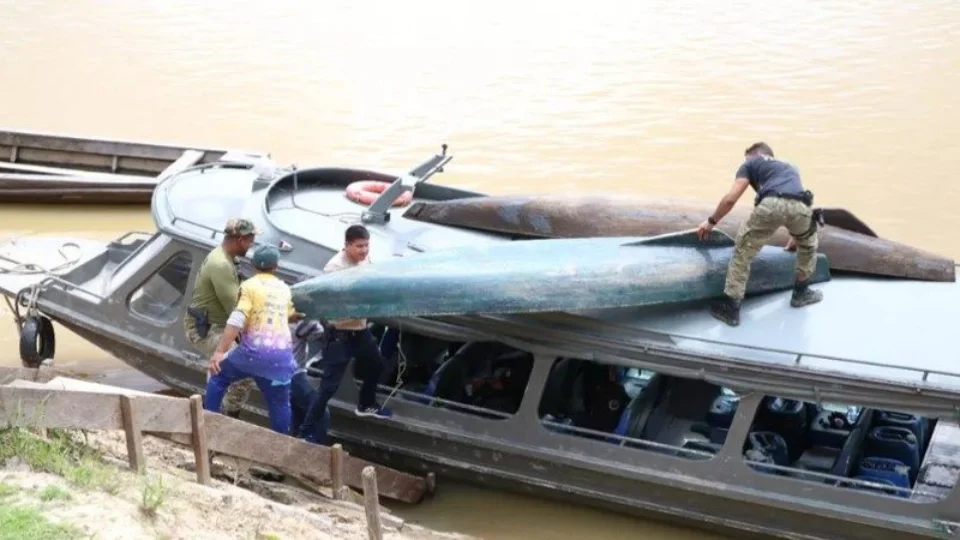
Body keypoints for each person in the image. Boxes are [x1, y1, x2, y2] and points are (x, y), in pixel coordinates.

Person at [695, 142, 823, 327]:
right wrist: (797, 237)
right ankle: (801, 293)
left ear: (754, 155)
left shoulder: (750, 162)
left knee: (743, 252)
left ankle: (731, 309)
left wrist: (711, 221)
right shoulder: (789, 166)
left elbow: (731, 198)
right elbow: (797, 199)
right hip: (802, 206)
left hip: (770, 203)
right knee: (809, 245)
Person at [299, 224, 391, 441]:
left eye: (367, 245)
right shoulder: (334, 269)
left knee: (376, 364)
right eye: (360, 246)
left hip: (359, 331)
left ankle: (366, 404)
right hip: (339, 334)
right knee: (328, 388)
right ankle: (306, 430)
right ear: (347, 245)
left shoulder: (364, 260)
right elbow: (333, 307)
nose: (365, 250)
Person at [203, 245, 303, 434]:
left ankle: (209, 425)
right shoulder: (284, 289)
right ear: (277, 265)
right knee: (280, 404)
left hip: (251, 353)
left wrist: (219, 352)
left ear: (253, 264)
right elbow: (290, 314)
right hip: (281, 359)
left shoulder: (249, 286)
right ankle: (281, 451)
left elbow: (237, 318)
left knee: (217, 376)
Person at [184, 218, 260, 418]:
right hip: (207, 330)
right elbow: (236, 310)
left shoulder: (228, 257)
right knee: (245, 369)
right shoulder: (221, 264)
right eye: (250, 240)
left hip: (217, 324)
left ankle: (212, 411)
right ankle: (227, 416)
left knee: (225, 369)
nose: (252, 244)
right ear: (240, 239)